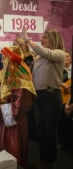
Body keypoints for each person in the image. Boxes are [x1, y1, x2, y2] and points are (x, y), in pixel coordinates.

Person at [20, 26, 65, 169]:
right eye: (42, 37)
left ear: (53, 39)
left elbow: (45, 52)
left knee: (50, 131)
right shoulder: (39, 57)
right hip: (39, 95)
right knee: (41, 130)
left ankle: (49, 162)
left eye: (45, 37)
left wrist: (27, 39)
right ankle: (43, 159)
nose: (42, 39)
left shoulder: (59, 53)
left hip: (52, 95)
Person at [0, 46, 36, 168]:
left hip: (13, 125)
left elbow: (21, 107)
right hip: (0, 120)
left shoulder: (22, 81)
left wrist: (1, 108)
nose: (3, 61)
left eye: (5, 58)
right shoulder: (4, 76)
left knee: (10, 150)